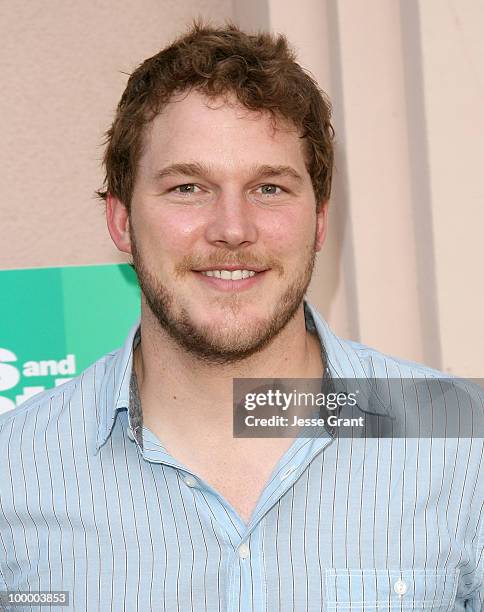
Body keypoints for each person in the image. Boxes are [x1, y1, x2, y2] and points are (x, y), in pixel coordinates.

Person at [0, 22, 482, 612]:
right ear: (122, 221)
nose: (233, 228)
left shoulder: (463, 450)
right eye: (187, 187)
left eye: (270, 189)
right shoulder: (12, 475)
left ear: (320, 221)